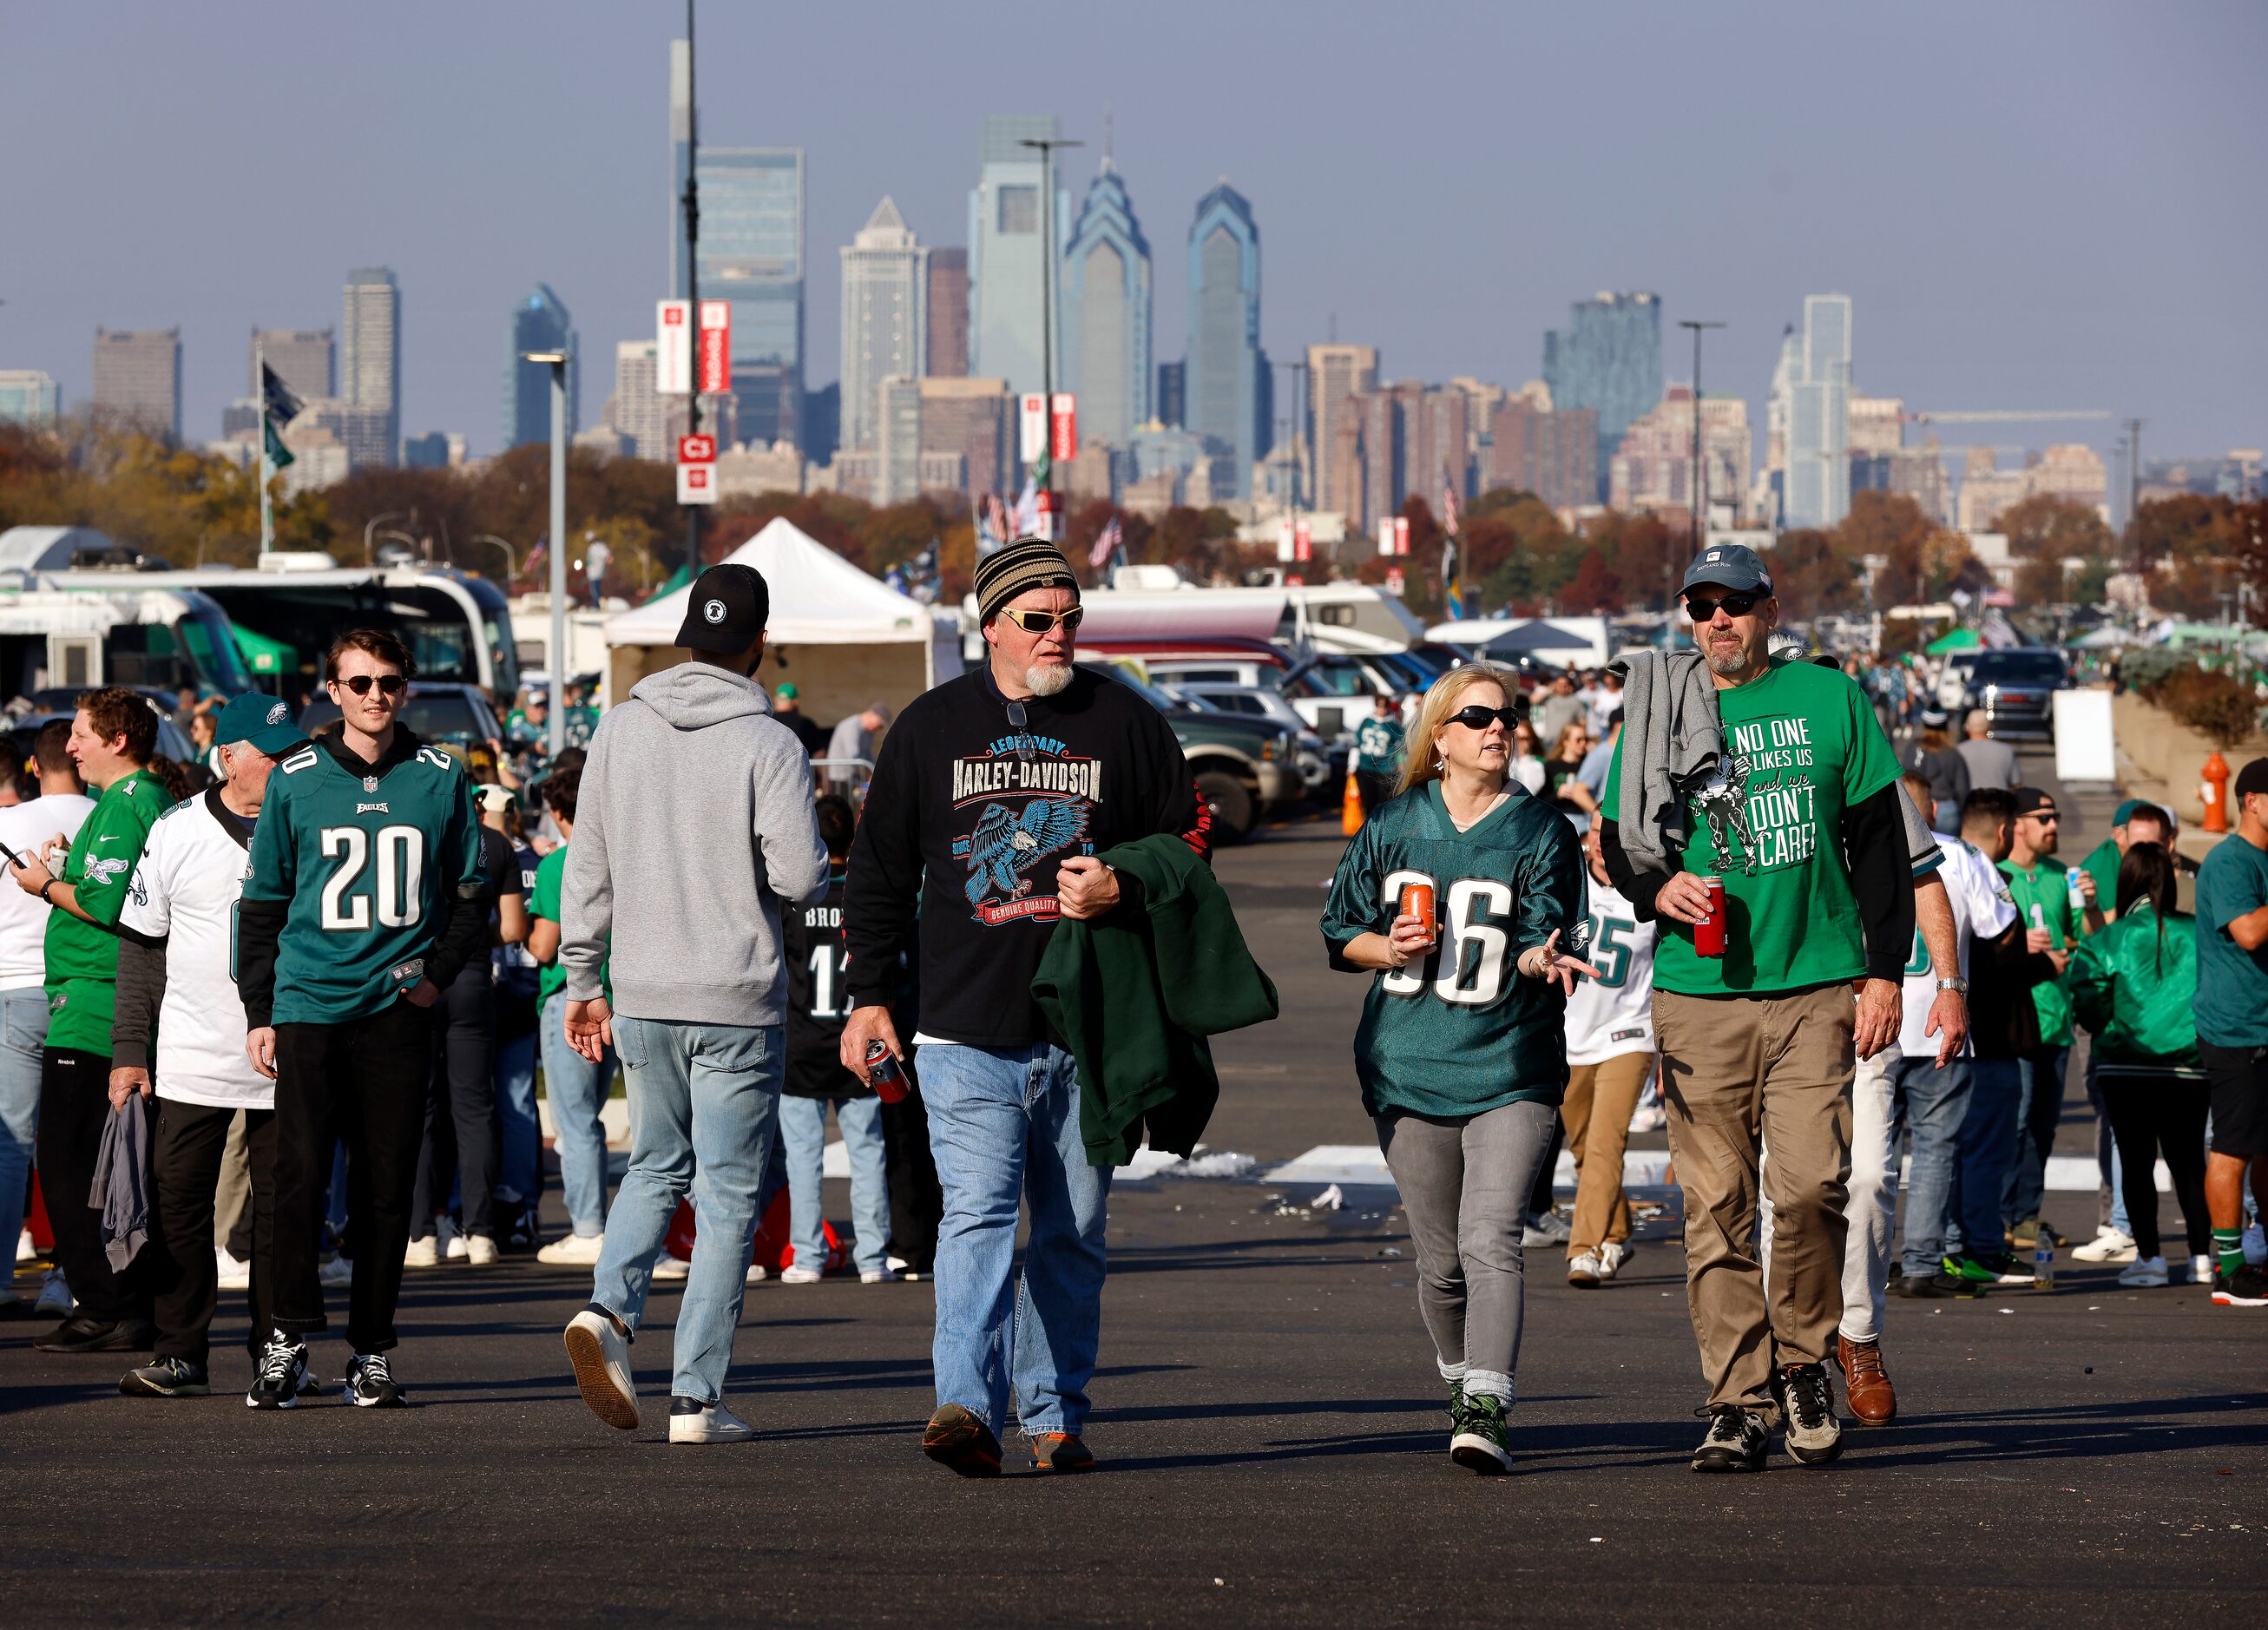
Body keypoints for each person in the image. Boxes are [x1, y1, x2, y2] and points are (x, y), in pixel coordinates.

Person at [841, 536, 1207, 1477]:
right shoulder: (928, 727)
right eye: (1039, 621)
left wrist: (1120, 883)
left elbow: (1188, 843)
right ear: (992, 626)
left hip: (1090, 1027)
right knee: (976, 1219)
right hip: (962, 1028)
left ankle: (1053, 1416)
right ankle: (964, 1406)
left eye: (1071, 619)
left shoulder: (1125, 722)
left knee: (1071, 1234)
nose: (1059, 636)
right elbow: (878, 875)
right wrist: (868, 999)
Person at [1601, 542, 1914, 1474]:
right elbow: (1621, 846)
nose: (1716, 623)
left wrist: (1886, 971)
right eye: (1700, 607)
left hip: (1816, 984)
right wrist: (1658, 891)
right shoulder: (1657, 708)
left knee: (1816, 1186)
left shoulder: (1831, 699)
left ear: (1770, 610)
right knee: (1717, 1207)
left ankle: (1803, 1363)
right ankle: (1737, 1402)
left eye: (1734, 604)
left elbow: (1879, 847)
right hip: (1700, 998)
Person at [557, 562, 828, 1446]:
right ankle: (696, 1399)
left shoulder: (619, 729)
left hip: (640, 990)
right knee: (727, 1197)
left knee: (653, 1165)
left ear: (684, 637)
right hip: (734, 995)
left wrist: (582, 980)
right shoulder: (771, 743)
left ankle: (608, 1309)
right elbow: (796, 875)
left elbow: (587, 868)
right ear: (758, 644)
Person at [1321, 665, 1593, 1473]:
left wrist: (1549, 957)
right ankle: (1458, 1373)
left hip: (1511, 1060)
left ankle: (1486, 1402)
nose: (1496, 728)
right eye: (1476, 717)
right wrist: (1388, 945)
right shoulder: (1396, 821)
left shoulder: (1542, 829)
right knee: (1440, 1264)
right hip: (1407, 1061)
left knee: (1490, 1240)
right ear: (1439, 736)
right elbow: (1341, 930)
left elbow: (1557, 932)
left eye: (1506, 716)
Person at [238, 629, 490, 1410]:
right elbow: (263, 905)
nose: (374, 695)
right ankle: (285, 1337)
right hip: (311, 1004)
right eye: (358, 683)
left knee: (387, 1189)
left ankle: (371, 1349)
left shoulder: (442, 776)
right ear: (333, 691)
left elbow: (472, 893)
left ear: (404, 689)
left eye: (387, 681)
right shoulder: (297, 778)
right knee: (297, 1180)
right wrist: (261, 1008)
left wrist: (434, 977)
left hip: (393, 1010)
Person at [109, 694, 307, 1397]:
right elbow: (141, 948)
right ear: (228, 757)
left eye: (293, 751)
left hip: (291, 1057)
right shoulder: (176, 830)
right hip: (192, 1053)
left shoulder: (312, 818)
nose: (289, 765)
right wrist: (130, 1050)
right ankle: (181, 1350)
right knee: (178, 1202)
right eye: (274, 753)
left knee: (282, 1213)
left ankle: (276, 1351)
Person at [13, 689, 193, 1355]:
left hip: (96, 1006)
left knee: (69, 1167)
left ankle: (106, 1306)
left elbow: (107, 903)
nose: (70, 747)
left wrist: (45, 885)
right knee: (97, 1165)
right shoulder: (133, 804)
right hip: (96, 1000)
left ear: (117, 741)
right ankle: (120, 1304)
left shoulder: (127, 802)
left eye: (82, 734)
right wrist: (68, 865)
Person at [2068, 842, 2212, 1289]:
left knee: (2136, 1162)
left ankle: (2149, 1258)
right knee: (2190, 1162)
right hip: (2189, 1066)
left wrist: (2109, 1023)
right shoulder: (2198, 933)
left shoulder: (2106, 939)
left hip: (2124, 1066)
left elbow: (2088, 1006)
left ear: (2125, 882)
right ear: (2168, 882)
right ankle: (2202, 1257)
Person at [1938, 787, 2058, 1288]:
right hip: (1987, 1038)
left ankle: (1966, 1245)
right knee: (1983, 1151)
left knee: (1957, 1149)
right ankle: (1975, 1248)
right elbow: (1996, 961)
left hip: (1960, 1035)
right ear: (2007, 830)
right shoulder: (1981, 875)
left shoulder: (1934, 868)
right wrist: (2042, 963)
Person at [404, 782, 527, 1267]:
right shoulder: (495, 844)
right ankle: (479, 1232)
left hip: (419, 976)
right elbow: (515, 929)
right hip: (474, 978)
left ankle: (421, 1234)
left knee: (423, 1108)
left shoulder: (412, 832)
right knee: (475, 1109)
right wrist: (474, 935)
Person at [776, 794, 894, 1285]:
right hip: (856, 1038)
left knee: (802, 1155)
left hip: (803, 1039)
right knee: (868, 1149)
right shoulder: (859, 898)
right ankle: (872, 1257)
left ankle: (807, 1254)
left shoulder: (793, 900)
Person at [0, 722, 91, 1321]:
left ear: (34, 767)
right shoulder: (110, 817)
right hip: (82, 992)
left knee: (12, 1144)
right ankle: (72, 1275)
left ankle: (1, 1276)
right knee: (81, 1145)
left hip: (11, 989)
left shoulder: (7, 826)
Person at [1997, 787, 2103, 1249]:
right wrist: (2022, 949)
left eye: (2055, 816)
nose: (2054, 825)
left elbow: (2092, 941)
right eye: (2044, 818)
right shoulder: (1996, 875)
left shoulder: (2063, 876)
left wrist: (2094, 907)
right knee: (2012, 1126)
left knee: (2042, 1127)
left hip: (2058, 1020)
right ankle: (1996, 1219)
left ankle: (2024, 1218)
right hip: (2015, 1022)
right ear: (2016, 823)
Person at [1561, 812, 1655, 1288]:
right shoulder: (1564, 880)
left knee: (1604, 1144)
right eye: (1597, 833)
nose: (1602, 843)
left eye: (1611, 835)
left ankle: (1584, 1250)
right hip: (1569, 1035)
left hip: (1629, 1034)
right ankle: (1618, 1230)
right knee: (1582, 1149)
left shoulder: (1649, 886)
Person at [529, 755, 615, 1266]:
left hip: (573, 995)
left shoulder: (558, 864)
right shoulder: (629, 853)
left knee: (577, 1121)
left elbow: (543, 945)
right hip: (629, 994)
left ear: (561, 814)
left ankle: (587, 1228)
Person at [2192, 758, 2268, 1306]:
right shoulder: (2230, 862)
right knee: (2234, 1148)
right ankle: (2228, 1267)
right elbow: (2248, 931)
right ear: (2252, 801)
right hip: (2238, 1029)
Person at [486, 790, 545, 1250]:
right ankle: (522, 1205)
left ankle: (469, 1209)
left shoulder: (475, 848)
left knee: (468, 1104)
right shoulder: (537, 860)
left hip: (488, 987)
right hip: (524, 993)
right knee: (517, 1103)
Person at [1903, 710, 1970, 835]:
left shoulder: (1913, 748)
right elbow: (1962, 790)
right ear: (1945, 727)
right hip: (1947, 810)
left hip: (1917, 805)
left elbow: (1904, 779)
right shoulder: (1952, 753)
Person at [1351, 693, 1404, 818]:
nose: (1382, 709)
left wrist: (1401, 762)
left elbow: (1401, 745)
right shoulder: (1367, 721)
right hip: (1366, 765)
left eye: (1385, 706)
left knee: (1386, 801)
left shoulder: (1393, 725)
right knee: (1368, 799)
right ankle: (1369, 826)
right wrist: (1351, 765)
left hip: (1385, 768)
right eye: (1380, 706)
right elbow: (1356, 743)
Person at [825, 702, 892, 798]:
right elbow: (854, 757)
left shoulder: (869, 732)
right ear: (872, 715)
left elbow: (868, 755)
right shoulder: (852, 727)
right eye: (879, 725)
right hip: (840, 778)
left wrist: (874, 772)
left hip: (853, 779)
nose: (879, 729)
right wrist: (870, 775)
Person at [1541, 721, 1596, 828]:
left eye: (1585, 739)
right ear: (1565, 741)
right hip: (1559, 815)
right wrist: (1557, 794)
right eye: (1578, 740)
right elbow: (1540, 798)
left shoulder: (1588, 764)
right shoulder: (1552, 766)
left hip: (1585, 817)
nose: (1583, 743)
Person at [1956, 710, 2017, 792]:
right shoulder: (2006, 750)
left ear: (1967, 728)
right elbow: (2016, 783)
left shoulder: (1957, 751)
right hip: (2000, 802)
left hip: (1969, 803)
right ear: (1991, 727)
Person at [771, 681, 829, 759]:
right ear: (796, 702)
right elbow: (819, 752)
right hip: (800, 768)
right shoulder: (806, 723)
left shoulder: (768, 721)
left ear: (776, 700)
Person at [1537, 672, 1584, 746]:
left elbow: (1582, 721)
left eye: (1565, 685)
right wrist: (1549, 690)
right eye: (1560, 685)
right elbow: (1533, 700)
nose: (1562, 687)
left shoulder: (1575, 701)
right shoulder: (1549, 699)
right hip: (1549, 740)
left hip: (1566, 741)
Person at [1508, 719, 1547, 797]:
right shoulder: (1504, 761)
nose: (1519, 742)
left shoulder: (1539, 763)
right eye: (1515, 738)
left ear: (1531, 740)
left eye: (1524, 738)